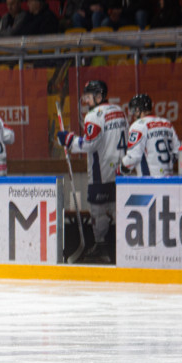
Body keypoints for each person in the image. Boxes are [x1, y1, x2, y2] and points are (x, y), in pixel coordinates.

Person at [57, 80, 128, 263]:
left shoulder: (94, 115)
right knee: (118, 210)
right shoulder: (120, 111)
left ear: (99, 96)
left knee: (98, 212)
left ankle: (101, 247)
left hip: (100, 174)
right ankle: (123, 248)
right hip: (121, 173)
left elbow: (90, 144)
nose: (86, 101)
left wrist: (69, 140)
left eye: (88, 97)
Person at [121, 94, 182, 177]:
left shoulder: (138, 125)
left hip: (149, 180)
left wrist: (122, 167)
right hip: (169, 178)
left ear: (138, 110)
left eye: (134, 111)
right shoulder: (167, 123)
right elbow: (178, 152)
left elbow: (133, 157)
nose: (133, 115)